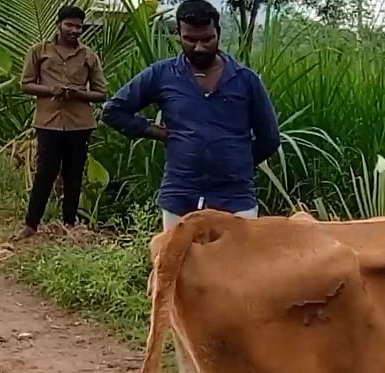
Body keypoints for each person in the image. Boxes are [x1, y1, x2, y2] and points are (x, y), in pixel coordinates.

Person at [101, 0, 281, 230]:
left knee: (236, 265)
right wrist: (159, 133)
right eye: (190, 40)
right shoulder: (162, 75)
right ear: (178, 35)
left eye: (207, 39)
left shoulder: (246, 80)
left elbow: (270, 138)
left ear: (218, 32)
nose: (199, 47)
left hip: (234, 198)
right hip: (181, 195)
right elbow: (113, 111)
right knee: (179, 264)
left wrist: (238, 161)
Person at [18, 5, 108, 238]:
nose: (75, 30)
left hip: (80, 124)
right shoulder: (39, 51)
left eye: (79, 26)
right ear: (59, 24)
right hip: (48, 121)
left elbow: (101, 93)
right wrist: (51, 90)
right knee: (45, 172)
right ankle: (31, 223)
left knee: (74, 173)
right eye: (70, 25)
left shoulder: (89, 56)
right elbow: (26, 84)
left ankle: (69, 224)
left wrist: (78, 93)